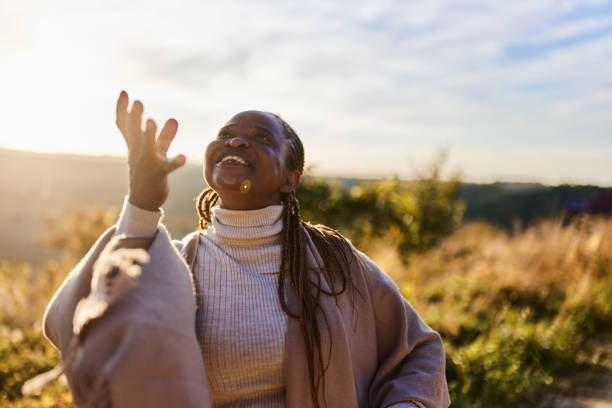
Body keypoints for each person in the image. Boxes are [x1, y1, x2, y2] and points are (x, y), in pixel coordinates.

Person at [43, 91, 450, 408]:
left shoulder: (337, 264)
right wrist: (142, 205)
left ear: (291, 178)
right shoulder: (176, 265)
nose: (235, 139)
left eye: (260, 138)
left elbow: (418, 350)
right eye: (224, 134)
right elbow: (79, 323)